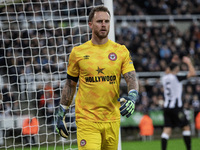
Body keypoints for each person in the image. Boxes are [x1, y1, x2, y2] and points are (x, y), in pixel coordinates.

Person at [56, 6, 139, 150]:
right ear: (90, 24)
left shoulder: (121, 51)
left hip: (112, 119)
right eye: (99, 21)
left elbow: (131, 78)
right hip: (87, 120)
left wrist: (132, 96)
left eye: (106, 21)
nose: (103, 24)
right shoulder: (78, 52)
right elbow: (70, 84)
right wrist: (61, 111)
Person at [161, 56, 196, 150]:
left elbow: (168, 70)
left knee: (167, 130)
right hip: (176, 108)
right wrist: (189, 62)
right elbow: (193, 73)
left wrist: (173, 63)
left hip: (167, 107)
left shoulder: (164, 78)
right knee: (186, 127)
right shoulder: (176, 78)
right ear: (176, 69)